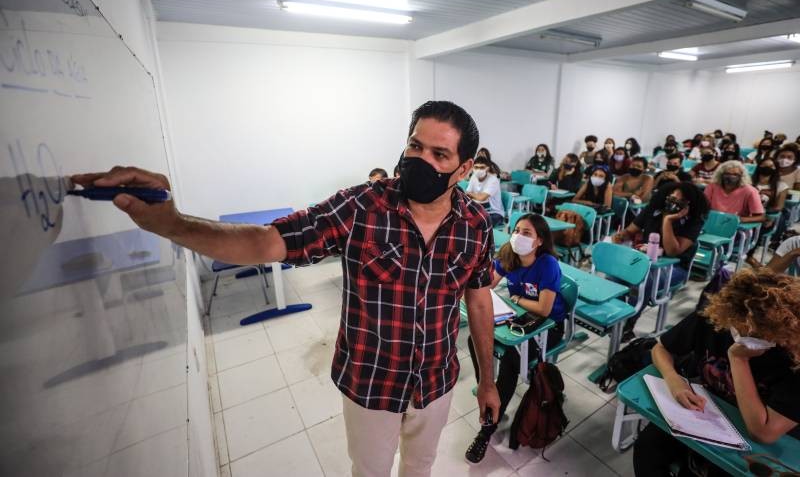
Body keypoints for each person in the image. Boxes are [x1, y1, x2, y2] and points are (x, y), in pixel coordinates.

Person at [72, 100, 502, 477]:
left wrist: (487, 381)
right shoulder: (362, 207)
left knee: (420, 468)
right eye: (414, 145)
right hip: (371, 383)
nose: (419, 159)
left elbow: (479, 301)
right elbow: (269, 241)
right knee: (369, 471)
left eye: (438, 154)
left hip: (436, 381)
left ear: (464, 169)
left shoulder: (476, 225)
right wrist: (173, 224)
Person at [633, 268, 800, 477]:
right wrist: (674, 380)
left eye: (757, 332)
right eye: (739, 326)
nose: (743, 335)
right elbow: (661, 348)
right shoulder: (715, 319)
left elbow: (763, 433)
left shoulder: (793, 358)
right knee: (647, 448)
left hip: (756, 444)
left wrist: (738, 359)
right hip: (704, 415)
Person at [464, 213, 566, 464]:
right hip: (518, 319)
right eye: (517, 230)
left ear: (540, 240)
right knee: (474, 340)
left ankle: (487, 427)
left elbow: (543, 308)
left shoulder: (547, 264)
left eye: (527, 233)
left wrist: (517, 300)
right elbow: (487, 285)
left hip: (547, 327)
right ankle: (490, 389)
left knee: (510, 361)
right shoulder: (509, 254)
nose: (519, 236)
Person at [614, 182, 708, 339]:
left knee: (644, 281)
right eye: (671, 198)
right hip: (645, 261)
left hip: (674, 267)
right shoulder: (653, 210)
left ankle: (628, 323)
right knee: (615, 274)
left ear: (690, 204)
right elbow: (630, 230)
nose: (674, 202)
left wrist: (668, 221)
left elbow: (672, 252)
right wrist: (620, 236)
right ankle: (616, 315)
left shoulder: (694, 222)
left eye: (680, 200)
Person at [745, 158, 788, 266]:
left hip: (765, 216)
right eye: (764, 165)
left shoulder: (781, 186)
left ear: (776, 169)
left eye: (771, 166)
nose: (767, 168)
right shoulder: (747, 181)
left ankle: (749, 255)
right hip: (745, 213)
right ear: (759, 167)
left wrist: (765, 212)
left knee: (758, 225)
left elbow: (779, 207)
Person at [704, 161, 765, 226]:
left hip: (737, 227)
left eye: (735, 174)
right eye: (727, 173)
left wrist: (738, 219)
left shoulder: (750, 191)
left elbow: (760, 217)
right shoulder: (712, 186)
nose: (731, 177)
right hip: (712, 223)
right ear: (721, 175)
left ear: (741, 176)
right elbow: (703, 207)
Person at [467, 156, 505, 227]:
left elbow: (482, 198)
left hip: (494, 213)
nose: (478, 170)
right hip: (479, 210)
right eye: (476, 167)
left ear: (487, 168)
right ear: (473, 168)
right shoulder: (473, 177)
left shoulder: (493, 180)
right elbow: (467, 195)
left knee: (476, 224)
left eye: (482, 167)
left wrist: (472, 195)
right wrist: (473, 195)